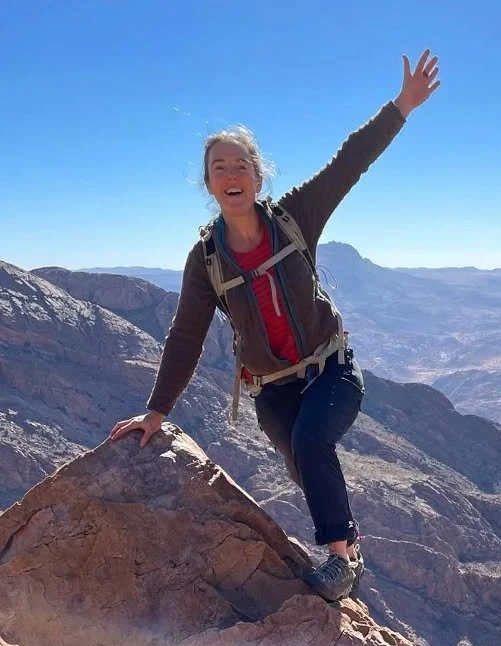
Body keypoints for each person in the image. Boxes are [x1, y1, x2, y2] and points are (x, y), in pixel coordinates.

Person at [111, 51, 440, 601]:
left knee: (313, 441)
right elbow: (186, 334)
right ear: (209, 186)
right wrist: (157, 410)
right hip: (273, 390)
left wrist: (402, 106)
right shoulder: (207, 258)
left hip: (331, 370)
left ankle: (338, 561)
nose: (231, 175)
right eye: (220, 168)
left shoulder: (294, 216)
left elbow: (348, 162)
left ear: (258, 176)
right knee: (304, 463)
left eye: (241, 165)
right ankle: (351, 548)